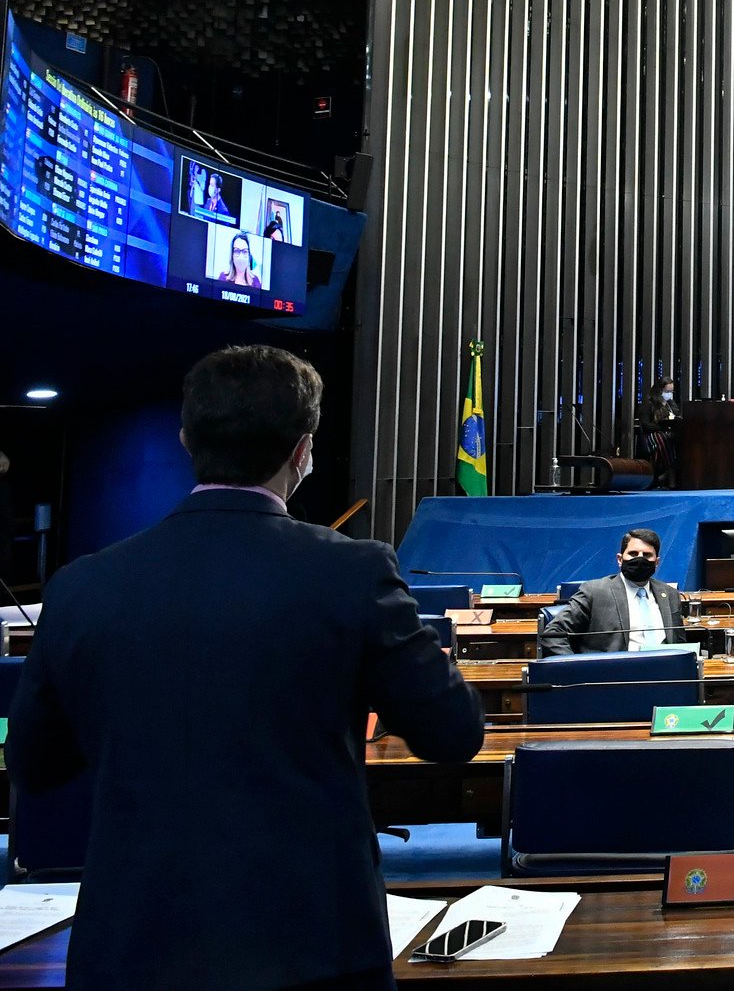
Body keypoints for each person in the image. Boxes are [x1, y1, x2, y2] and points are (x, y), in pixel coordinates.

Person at [8, 345, 483, 989]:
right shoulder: (352, 572)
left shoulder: (81, 586)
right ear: (303, 451)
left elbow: (35, 765)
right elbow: (453, 734)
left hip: (130, 944)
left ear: (185, 438)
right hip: (313, 944)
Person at [537, 530, 687, 656]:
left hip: (665, 675)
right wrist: (576, 667)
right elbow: (553, 634)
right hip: (613, 676)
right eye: (633, 554)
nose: (640, 559)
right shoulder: (594, 592)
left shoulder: (670, 594)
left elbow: (680, 643)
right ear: (620, 559)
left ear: (657, 562)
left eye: (647, 555)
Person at [638, 379, 681, 487]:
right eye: (667, 391)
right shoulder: (649, 405)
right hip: (653, 435)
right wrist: (661, 427)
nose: (669, 394)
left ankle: (668, 475)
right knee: (664, 440)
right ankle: (670, 477)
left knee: (677, 440)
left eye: (671, 392)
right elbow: (646, 425)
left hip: (668, 434)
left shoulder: (670, 405)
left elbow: (677, 418)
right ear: (659, 391)